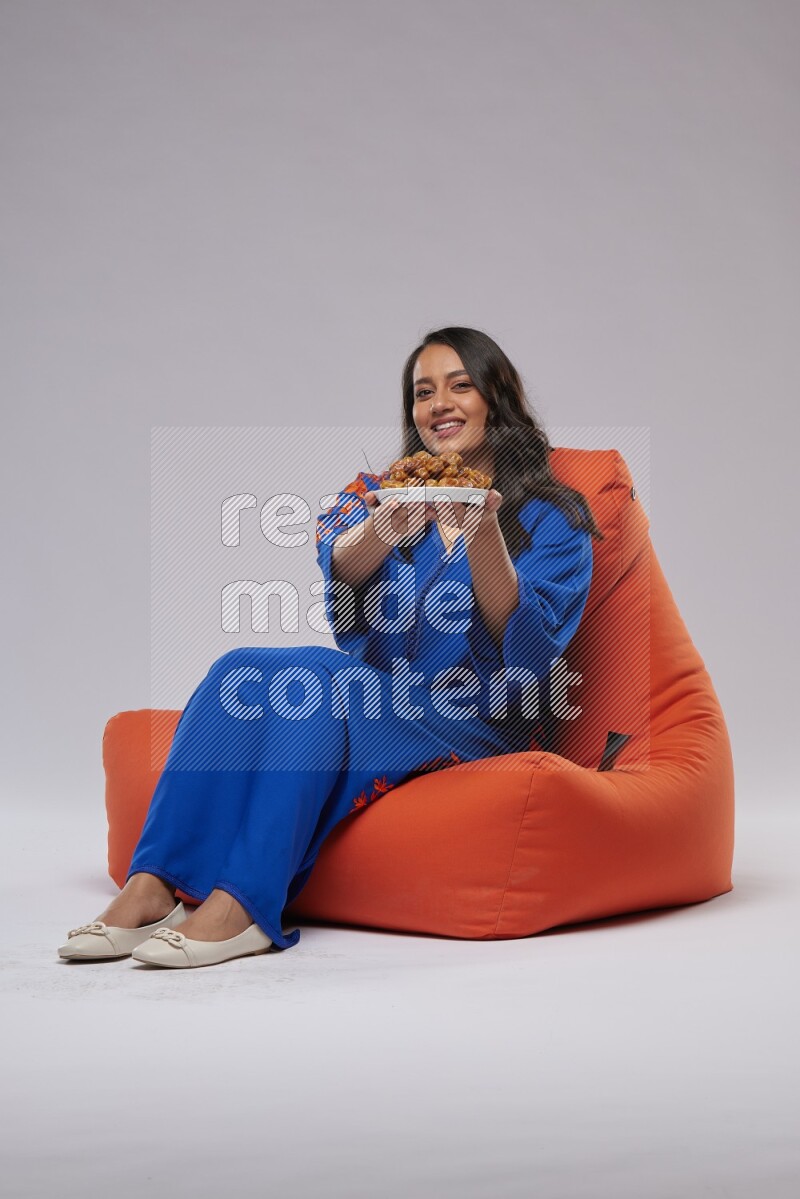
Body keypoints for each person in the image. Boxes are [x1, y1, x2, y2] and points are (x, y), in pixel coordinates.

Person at [58, 326, 603, 969]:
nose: (439, 405)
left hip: (478, 717)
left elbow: (531, 661)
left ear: (497, 397)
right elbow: (340, 570)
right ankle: (152, 885)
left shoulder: (554, 517)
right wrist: (383, 527)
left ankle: (244, 907)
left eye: (460, 385)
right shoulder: (382, 493)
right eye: (422, 393)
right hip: (384, 696)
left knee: (317, 687)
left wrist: (483, 532)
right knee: (238, 668)